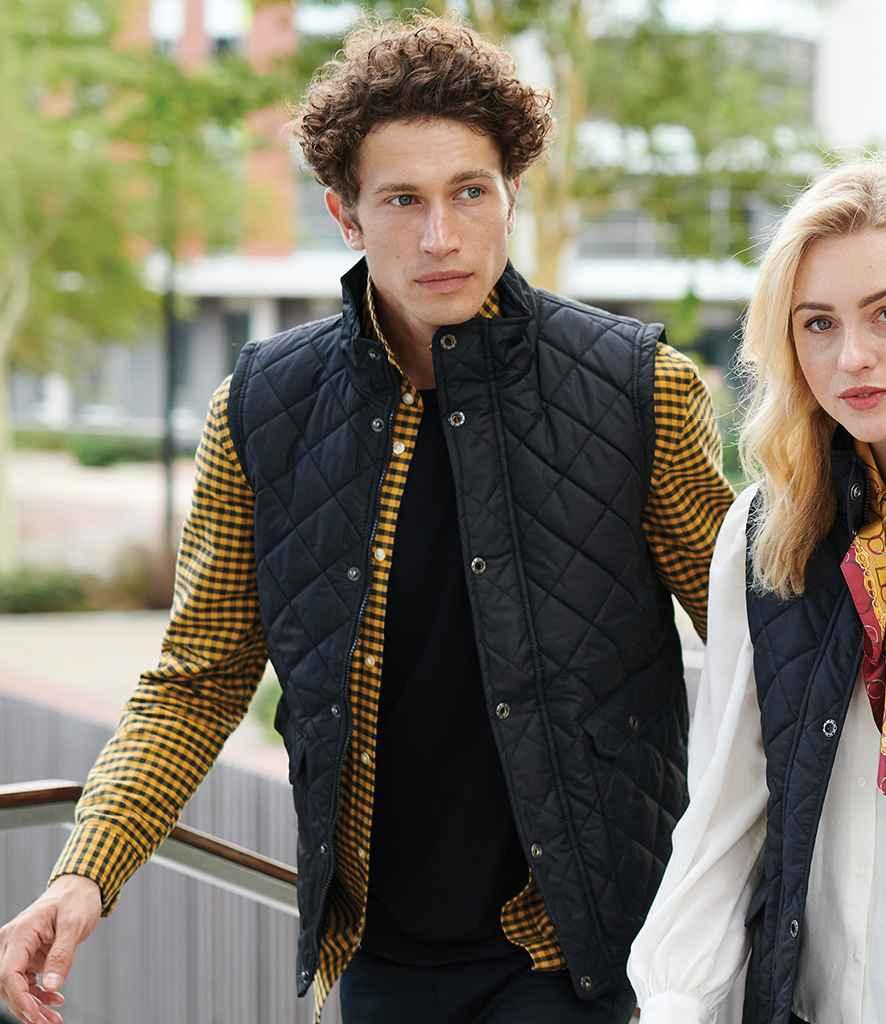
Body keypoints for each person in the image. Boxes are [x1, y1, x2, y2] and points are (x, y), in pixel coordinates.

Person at [0, 13, 733, 1024]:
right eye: (402, 200)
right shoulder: (260, 409)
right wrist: (85, 871)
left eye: (469, 192)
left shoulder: (637, 387)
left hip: (586, 947)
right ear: (345, 216)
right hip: (380, 954)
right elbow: (198, 676)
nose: (441, 236)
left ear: (511, 196)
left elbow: (757, 643)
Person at [627, 158, 886, 1024]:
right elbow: (727, 816)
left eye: (884, 314)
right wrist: (673, 1002)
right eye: (818, 323)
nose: (852, 356)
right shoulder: (769, 530)